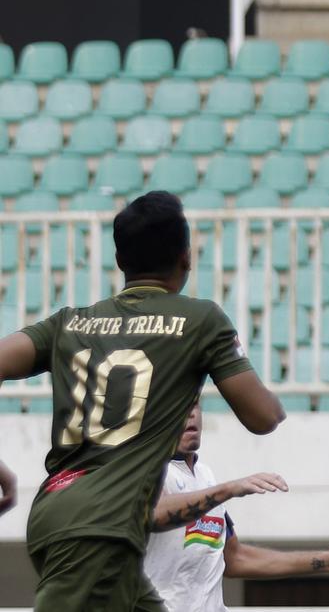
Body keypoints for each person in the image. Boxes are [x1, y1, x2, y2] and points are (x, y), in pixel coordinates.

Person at [0, 191, 286, 612]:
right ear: (186, 258)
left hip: (68, 514)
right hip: (102, 526)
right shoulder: (201, 320)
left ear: (120, 261)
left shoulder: (68, 322)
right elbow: (264, 418)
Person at [144, 402, 329, 611]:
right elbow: (156, 512)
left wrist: (328, 560)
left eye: (195, 403)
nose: (191, 413)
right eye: (180, 403)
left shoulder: (205, 475)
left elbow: (235, 558)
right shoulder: (145, 471)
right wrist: (228, 490)